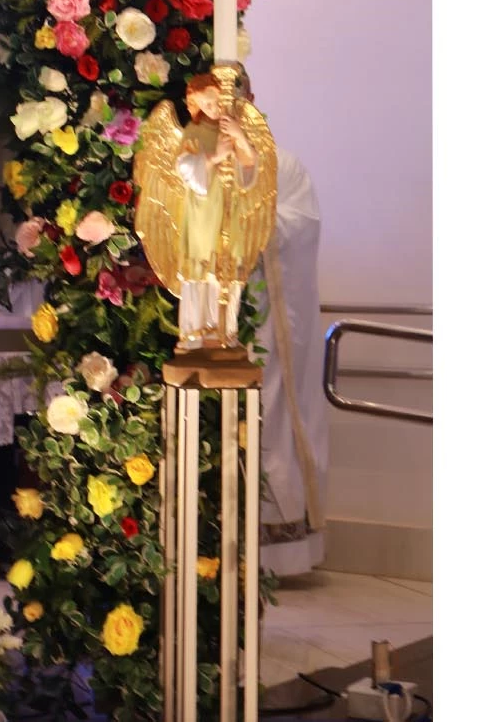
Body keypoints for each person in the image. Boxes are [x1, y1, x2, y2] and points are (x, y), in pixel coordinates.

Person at [236, 66, 329, 574]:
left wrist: (251, 221)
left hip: (270, 317)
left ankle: (276, 551)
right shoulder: (197, 164)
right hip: (213, 313)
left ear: (252, 98)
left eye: (237, 95)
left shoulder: (282, 165)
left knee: (271, 412)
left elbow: (302, 225)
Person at [173, 73, 260, 348]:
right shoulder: (194, 131)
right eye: (206, 105)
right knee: (201, 266)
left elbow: (250, 165)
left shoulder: (234, 128)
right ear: (197, 106)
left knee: (227, 266)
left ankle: (224, 331)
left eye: (216, 102)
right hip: (202, 212)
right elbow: (183, 166)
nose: (213, 109)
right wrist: (214, 157)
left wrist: (238, 136)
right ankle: (196, 332)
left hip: (229, 209)